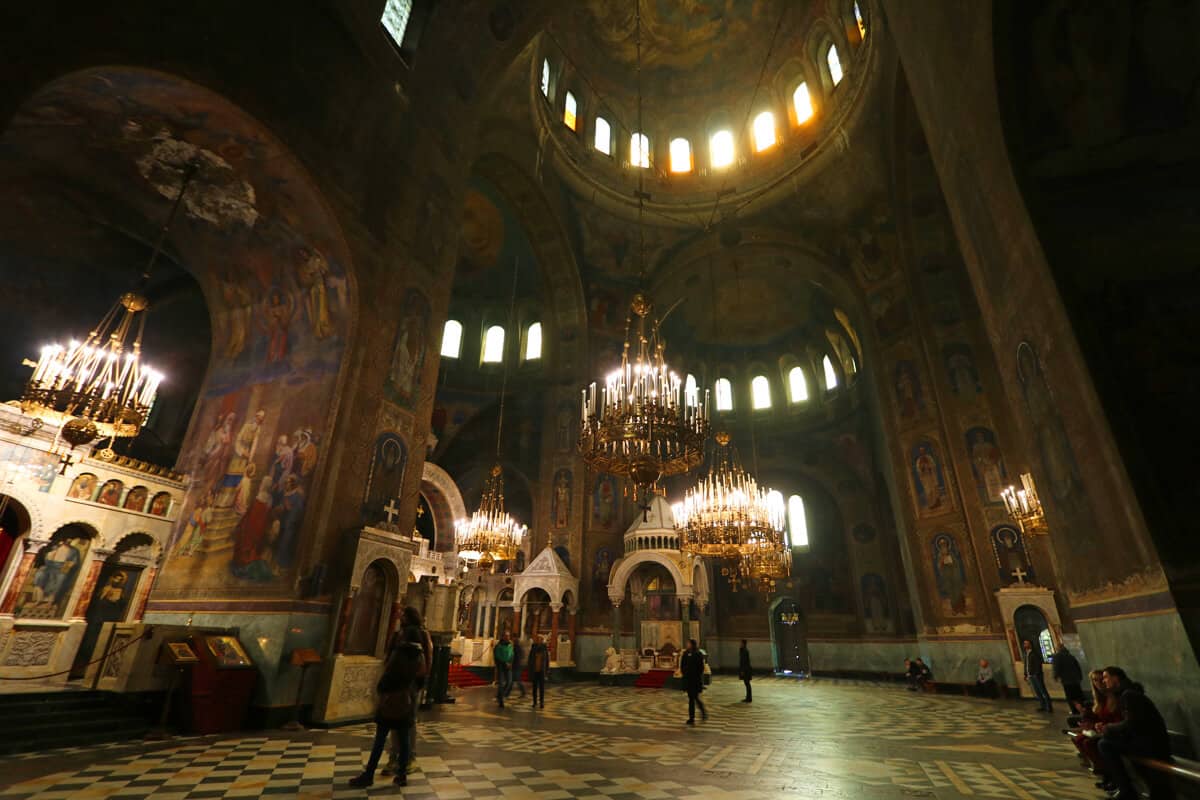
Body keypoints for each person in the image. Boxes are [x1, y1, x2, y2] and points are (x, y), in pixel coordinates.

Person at [349, 626, 426, 788]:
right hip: (407, 701)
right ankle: (402, 775)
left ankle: (369, 774)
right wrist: (411, 692)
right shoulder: (420, 656)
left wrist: (382, 691)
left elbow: (389, 675)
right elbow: (421, 678)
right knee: (404, 741)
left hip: (391, 700)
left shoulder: (399, 653)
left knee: (380, 740)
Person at [1095, 666, 1171, 800]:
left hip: (1152, 745)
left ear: (1116, 678)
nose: (1103, 681)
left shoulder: (1129, 695)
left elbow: (1131, 724)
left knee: (1104, 744)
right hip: (1146, 742)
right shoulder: (1127, 693)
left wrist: (1109, 728)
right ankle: (1124, 788)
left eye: (1106, 677)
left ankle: (1126, 791)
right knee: (1105, 742)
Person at [383, 607, 433, 779]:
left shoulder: (422, 635)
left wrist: (422, 680)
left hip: (411, 684)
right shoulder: (398, 635)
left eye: (403, 615)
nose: (400, 617)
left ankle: (409, 757)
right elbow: (389, 656)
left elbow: (428, 656)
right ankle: (393, 757)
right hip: (395, 683)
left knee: (408, 721)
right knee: (393, 720)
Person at [1072, 670, 1122, 791]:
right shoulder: (1099, 698)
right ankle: (1104, 773)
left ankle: (1109, 775)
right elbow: (1097, 716)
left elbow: (1117, 719)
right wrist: (1088, 720)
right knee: (1079, 739)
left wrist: (1101, 726)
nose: (1099, 683)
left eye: (1101, 679)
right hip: (1104, 729)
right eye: (1095, 680)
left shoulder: (1114, 697)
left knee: (1090, 743)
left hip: (1114, 732)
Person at [680, 639, 707, 725]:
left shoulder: (698, 654)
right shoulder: (686, 653)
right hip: (688, 680)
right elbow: (682, 664)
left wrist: (696, 675)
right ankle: (691, 718)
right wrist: (684, 672)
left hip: (695, 680)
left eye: (688, 643)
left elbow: (701, 668)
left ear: (692, 644)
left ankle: (702, 712)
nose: (687, 645)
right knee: (691, 699)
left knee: (694, 698)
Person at [1051, 643, 1085, 711]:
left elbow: (1056, 667)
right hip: (1075, 679)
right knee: (1078, 695)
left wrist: (1055, 676)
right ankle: (1082, 709)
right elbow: (1077, 667)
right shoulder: (1070, 656)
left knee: (1070, 697)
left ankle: (1074, 710)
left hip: (1066, 680)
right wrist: (1080, 677)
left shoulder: (1057, 656)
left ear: (1058, 648)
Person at [1022, 640, 1052, 712]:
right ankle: (1043, 706)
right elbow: (1026, 665)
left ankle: (1049, 707)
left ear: (1030, 644)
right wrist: (1026, 674)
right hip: (1031, 675)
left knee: (1043, 691)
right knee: (1037, 692)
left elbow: (1038, 664)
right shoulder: (1026, 654)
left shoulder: (1034, 653)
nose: (1025, 645)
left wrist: (1036, 673)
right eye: (1024, 644)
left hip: (1037, 675)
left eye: (1026, 643)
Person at [528, 633, 549, 709]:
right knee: (534, 687)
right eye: (538, 639)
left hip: (542, 671)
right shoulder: (533, 648)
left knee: (542, 688)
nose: (539, 640)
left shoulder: (544, 648)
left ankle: (542, 702)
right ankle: (534, 701)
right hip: (535, 671)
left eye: (540, 639)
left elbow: (547, 661)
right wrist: (530, 670)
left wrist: (546, 671)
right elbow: (530, 660)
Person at [493, 632, 514, 708]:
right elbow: (497, 656)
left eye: (508, 636)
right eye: (506, 636)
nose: (507, 637)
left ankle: (500, 695)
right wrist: (505, 663)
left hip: (508, 666)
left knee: (509, 682)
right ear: (503, 637)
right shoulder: (499, 646)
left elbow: (512, 655)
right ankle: (501, 700)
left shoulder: (510, 645)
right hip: (501, 666)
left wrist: (510, 663)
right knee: (501, 683)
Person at [506, 636, 527, 701]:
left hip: (515, 666)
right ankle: (507, 693)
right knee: (513, 680)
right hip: (517, 666)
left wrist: (510, 663)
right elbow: (522, 656)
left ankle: (522, 692)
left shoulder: (515, 648)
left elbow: (513, 657)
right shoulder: (519, 648)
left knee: (515, 680)